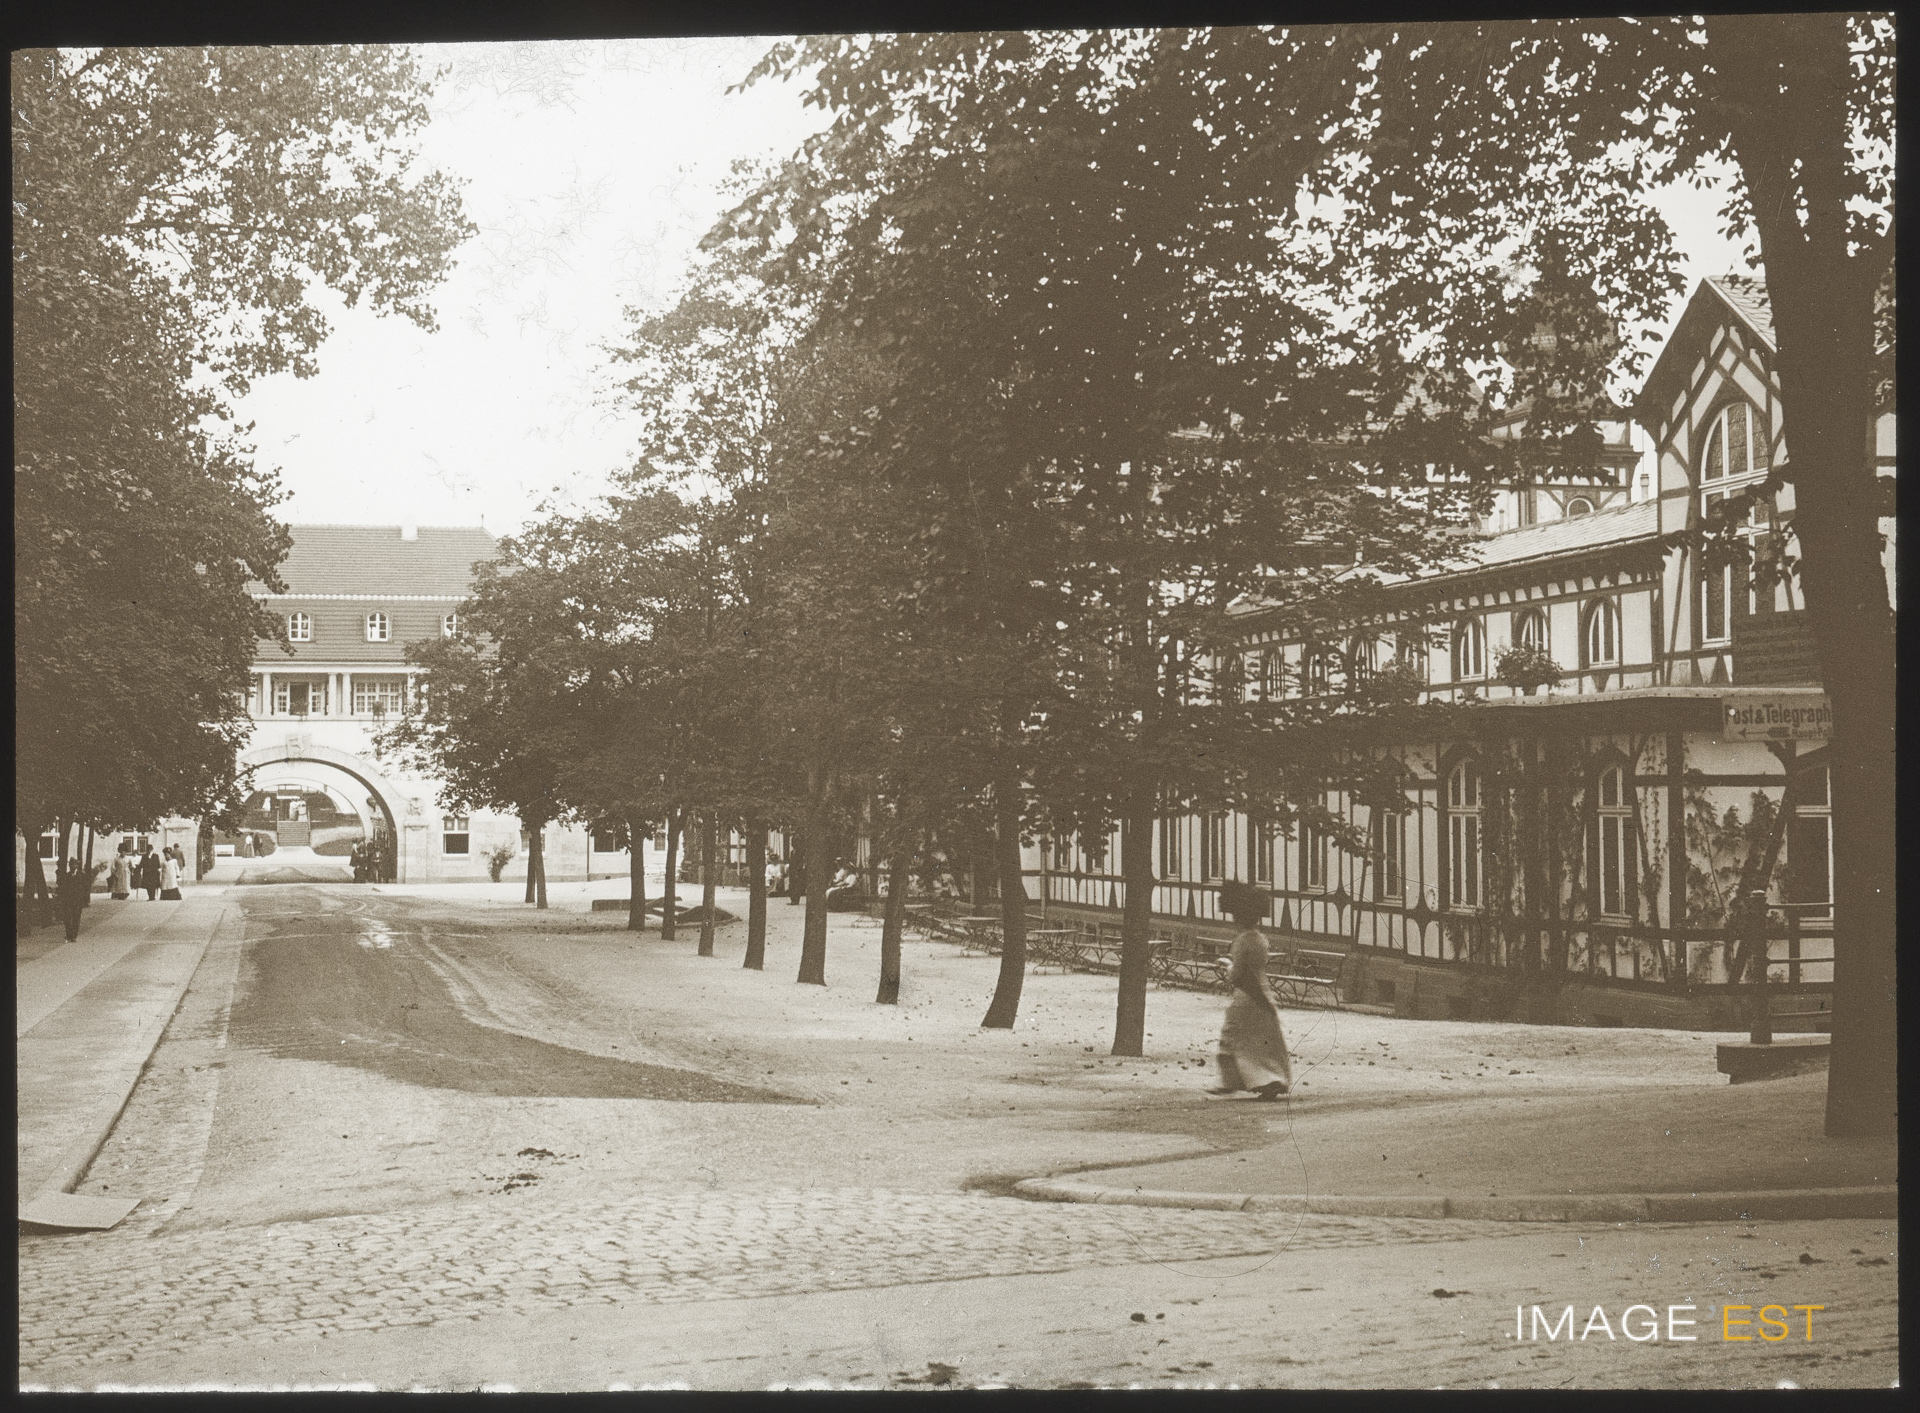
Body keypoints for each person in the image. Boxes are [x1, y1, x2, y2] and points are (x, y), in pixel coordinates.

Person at [1207, 880, 1292, 1101]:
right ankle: (1271, 1079)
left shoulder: (1242, 941)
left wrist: (1227, 966)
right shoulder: (1261, 939)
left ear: (1239, 916)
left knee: (1232, 1037)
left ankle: (1231, 1081)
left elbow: (1239, 975)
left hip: (1246, 996)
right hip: (1264, 992)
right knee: (1263, 1042)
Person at [57, 859, 89, 941]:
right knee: (67, 918)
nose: (72, 866)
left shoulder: (82, 876)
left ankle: (74, 935)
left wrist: (84, 900)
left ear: (77, 866)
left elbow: (85, 888)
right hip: (68, 901)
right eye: (71, 865)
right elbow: (63, 889)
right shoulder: (66, 876)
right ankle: (69, 934)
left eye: (74, 865)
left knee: (76, 918)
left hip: (78, 901)